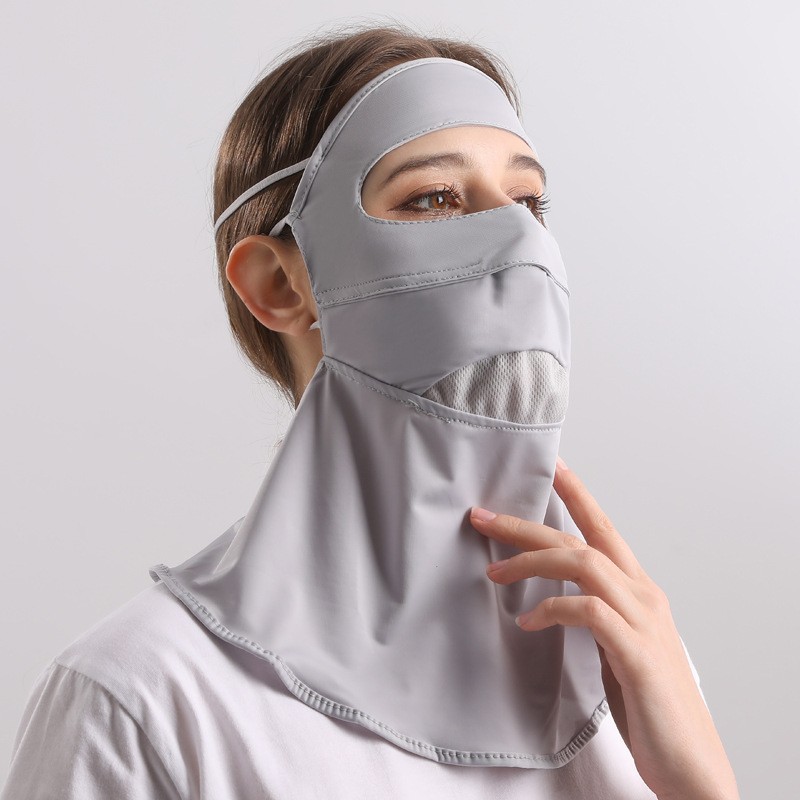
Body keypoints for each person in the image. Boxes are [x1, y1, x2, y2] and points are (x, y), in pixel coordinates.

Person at [1, 23, 739, 800]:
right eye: (434, 198)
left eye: (529, 200)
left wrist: (702, 785)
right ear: (279, 285)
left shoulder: (632, 659)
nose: (520, 240)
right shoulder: (142, 701)